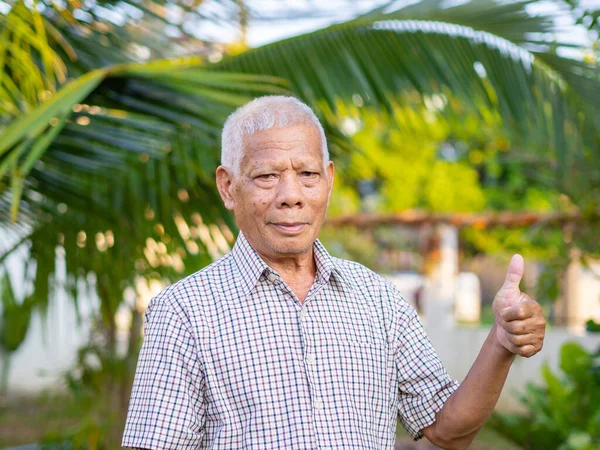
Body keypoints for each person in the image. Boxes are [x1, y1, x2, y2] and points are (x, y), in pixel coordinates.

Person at [122, 96, 546, 450]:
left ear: (328, 180)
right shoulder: (184, 312)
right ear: (228, 186)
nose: (291, 196)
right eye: (267, 176)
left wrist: (501, 342)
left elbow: (447, 429)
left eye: (307, 175)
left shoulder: (378, 299)